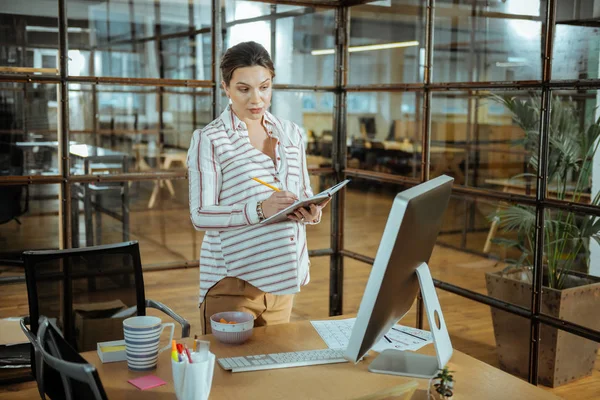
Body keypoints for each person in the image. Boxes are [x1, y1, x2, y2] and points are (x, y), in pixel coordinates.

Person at [187, 41, 330, 334]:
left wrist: (310, 211)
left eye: (264, 87)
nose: (257, 99)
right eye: (244, 89)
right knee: (228, 377)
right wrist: (260, 209)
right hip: (233, 284)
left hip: (283, 281)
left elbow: (302, 191)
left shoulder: (290, 133)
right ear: (225, 88)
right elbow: (200, 214)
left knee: (273, 377)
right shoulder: (210, 139)